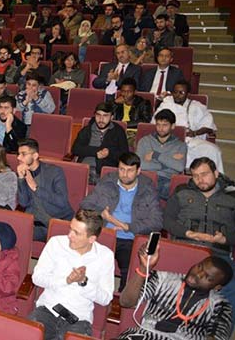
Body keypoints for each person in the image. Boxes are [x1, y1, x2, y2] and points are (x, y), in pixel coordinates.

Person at [81, 152, 163, 291]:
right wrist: (102, 214)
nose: (125, 174)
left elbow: (157, 222)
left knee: (129, 269)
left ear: (138, 171)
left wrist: (127, 226)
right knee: (88, 263)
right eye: (121, 169)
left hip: (129, 238)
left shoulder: (147, 189)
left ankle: (122, 297)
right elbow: (85, 204)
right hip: (104, 233)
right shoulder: (108, 182)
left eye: (130, 170)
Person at [29, 209, 115, 340]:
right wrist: (66, 280)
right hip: (47, 310)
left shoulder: (105, 256)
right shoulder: (56, 243)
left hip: (78, 319)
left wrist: (83, 282)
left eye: (76, 233)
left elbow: (106, 298)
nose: (69, 235)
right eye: (70, 229)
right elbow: (37, 278)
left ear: (91, 239)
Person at [117, 243, 232, 340]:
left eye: (208, 277)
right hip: (145, 335)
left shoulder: (220, 305)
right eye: (199, 267)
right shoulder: (162, 279)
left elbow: (217, 337)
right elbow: (125, 302)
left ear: (217, 287)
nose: (198, 274)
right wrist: (144, 268)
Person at [163, 156, 235, 309]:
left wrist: (224, 239)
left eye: (204, 174)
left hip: (217, 253)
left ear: (216, 173)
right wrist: (188, 233)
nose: (200, 180)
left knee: (232, 288)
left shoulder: (231, 196)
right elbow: (167, 220)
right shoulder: (182, 191)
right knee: (163, 280)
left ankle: (219, 325)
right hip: (185, 246)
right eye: (195, 176)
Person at [154, 80, 224, 172]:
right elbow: (154, 123)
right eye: (175, 92)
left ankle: (217, 177)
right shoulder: (166, 104)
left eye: (181, 93)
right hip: (168, 140)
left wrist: (194, 133)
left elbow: (209, 126)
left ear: (188, 94)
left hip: (190, 140)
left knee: (213, 150)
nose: (177, 95)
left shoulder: (196, 106)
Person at [16, 139, 74, 242]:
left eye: (23, 154)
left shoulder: (54, 172)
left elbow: (62, 201)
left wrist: (35, 188)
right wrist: (21, 178)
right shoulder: (24, 173)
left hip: (57, 221)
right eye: (18, 154)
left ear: (35, 156)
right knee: (12, 229)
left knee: (22, 233)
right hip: (36, 222)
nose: (18, 158)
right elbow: (23, 203)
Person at [72, 102, 129, 183]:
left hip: (106, 172)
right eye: (98, 115)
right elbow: (75, 149)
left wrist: (109, 153)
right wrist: (96, 151)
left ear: (111, 117)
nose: (101, 119)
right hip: (85, 169)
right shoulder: (87, 130)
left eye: (105, 116)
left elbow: (125, 155)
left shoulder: (118, 131)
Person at [136, 109, 187, 200]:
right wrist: (167, 162)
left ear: (173, 126)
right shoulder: (145, 141)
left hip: (167, 181)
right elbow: (139, 164)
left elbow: (179, 167)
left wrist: (156, 155)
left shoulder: (180, 145)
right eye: (158, 124)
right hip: (146, 177)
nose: (161, 128)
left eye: (165, 125)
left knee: (180, 192)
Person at [112, 78, 152, 144]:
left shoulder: (143, 103)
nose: (125, 94)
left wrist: (124, 124)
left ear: (134, 92)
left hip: (134, 133)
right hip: (118, 132)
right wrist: (114, 103)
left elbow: (145, 121)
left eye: (129, 91)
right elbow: (107, 115)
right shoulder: (117, 102)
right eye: (123, 91)